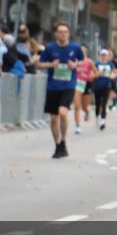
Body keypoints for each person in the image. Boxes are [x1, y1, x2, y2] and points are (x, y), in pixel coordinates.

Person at [38, 22, 83, 158]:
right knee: (53, 119)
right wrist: (51, 64)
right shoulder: (50, 48)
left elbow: (83, 60)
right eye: (60, 31)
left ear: (68, 34)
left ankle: (63, 140)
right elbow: (39, 64)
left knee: (63, 112)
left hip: (68, 86)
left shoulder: (75, 47)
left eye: (65, 31)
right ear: (56, 34)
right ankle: (58, 145)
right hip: (53, 86)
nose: (63, 34)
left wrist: (74, 64)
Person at [93, 49, 116, 130]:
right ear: (100, 56)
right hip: (97, 85)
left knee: (104, 103)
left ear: (107, 56)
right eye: (102, 55)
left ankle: (103, 120)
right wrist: (98, 74)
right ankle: (97, 117)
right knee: (98, 103)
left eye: (105, 55)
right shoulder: (97, 64)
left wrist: (112, 76)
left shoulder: (110, 64)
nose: (103, 57)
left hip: (106, 85)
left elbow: (114, 73)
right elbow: (93, 74)